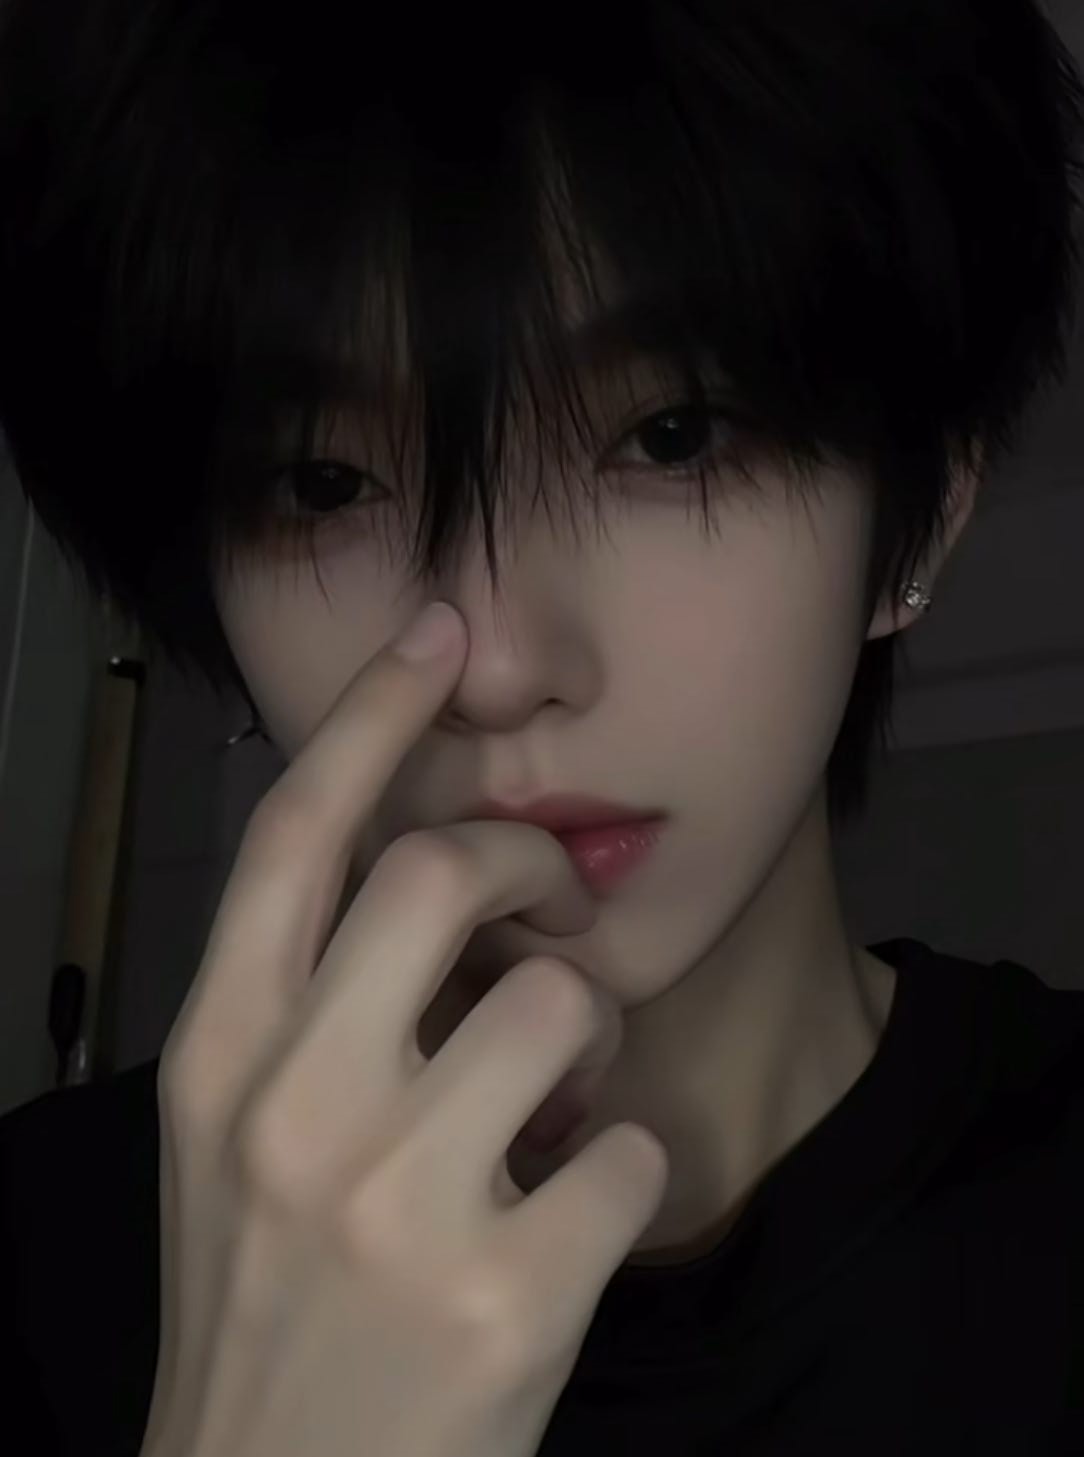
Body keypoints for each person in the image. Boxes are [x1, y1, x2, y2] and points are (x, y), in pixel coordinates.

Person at [1, 0, 1083, 1452]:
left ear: (925, 507)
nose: (502, 666)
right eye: (325, 483)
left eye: (672, 435)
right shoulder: (35, 1267)